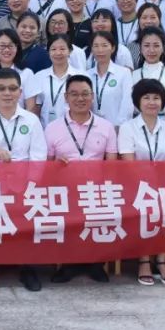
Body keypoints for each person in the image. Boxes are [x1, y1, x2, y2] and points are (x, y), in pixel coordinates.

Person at [0, 68, 47, 292]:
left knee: (26, 230)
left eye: (12, 89)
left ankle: (28, 270)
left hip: (24, 186)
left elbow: (39, 157)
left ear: (20, 92)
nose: (7, 93)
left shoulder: (31, 120)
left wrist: (30, 186)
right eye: (1, 89)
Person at [44, 74, 119, 284]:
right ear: (66, 97)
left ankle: (95, 264)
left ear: (92, 96)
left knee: (99, 214)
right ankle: (69, 265)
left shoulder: (106, 127)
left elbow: (112, 164)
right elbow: (45, 166)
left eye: (85, 94)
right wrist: (56, 164)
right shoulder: (52, 128)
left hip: (97, 188)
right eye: (74, 94)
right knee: (66, 218)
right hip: (64, 189)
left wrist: (106, 189)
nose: (80, 99)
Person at [119, 79, 165, 287]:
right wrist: (149, 183)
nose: (152, 102)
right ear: (138, 102)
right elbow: (128, 164)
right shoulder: (128, 128)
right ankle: (144, 260)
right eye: (146, 98)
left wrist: (161, 182)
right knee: (146, 208)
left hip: (164, 185)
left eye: (156, 98)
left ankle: (162, 260)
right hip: (136, 186)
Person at [25, 34, 84, 128]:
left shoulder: (81, 76)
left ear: (70, 51)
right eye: (53, 49)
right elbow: (35, 108)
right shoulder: (39, 77)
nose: (58, 53)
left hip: (74, 130)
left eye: (62, 49)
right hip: (46, 130)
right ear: (48, 52)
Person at [131, 26, 165, 122]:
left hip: (164, 122)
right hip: (137, 124)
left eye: (156, 45)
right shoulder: (132, 75)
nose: (151, 50)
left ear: (163, 48)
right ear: (140, 48)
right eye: (146, 45)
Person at [87, 31, 133, 126]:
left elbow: (127, 104)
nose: (100, 50)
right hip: (91, 127)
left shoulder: (124, 73)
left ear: (113, 48)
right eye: (96, 46)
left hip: (116, 127)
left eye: (104, 45)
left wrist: (119, 126)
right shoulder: (87, 75)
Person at [0, 29, 34, 107]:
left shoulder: (27, 73)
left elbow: (31, 107)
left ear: (17, 48)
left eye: (10, 46)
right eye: (2, 46)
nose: (6, 50)